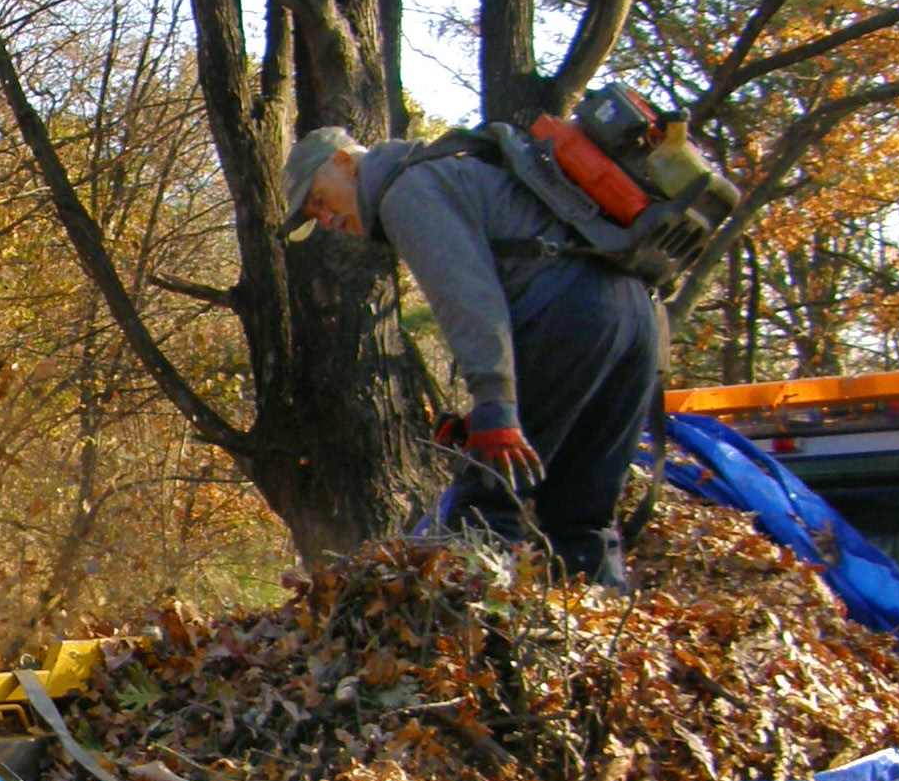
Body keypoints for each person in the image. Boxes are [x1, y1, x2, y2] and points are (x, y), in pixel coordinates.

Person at [283, 124, 665, 582]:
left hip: (569, 318)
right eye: (313, 215)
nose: (325, 220)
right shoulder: (456, 168)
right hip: (633, 315)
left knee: (484, 507)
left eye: (320, 200)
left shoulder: (407, 191)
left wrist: (496, 406)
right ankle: (599, 645)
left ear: (345, 162)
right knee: (581, 518)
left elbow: (469, 298)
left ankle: (469, 649)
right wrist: (486, 413)